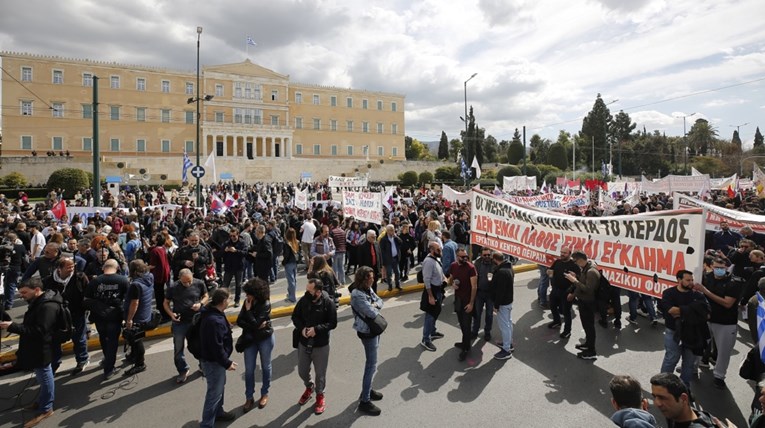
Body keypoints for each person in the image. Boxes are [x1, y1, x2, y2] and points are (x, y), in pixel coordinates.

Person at [0, 278, 59, 427]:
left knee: (45, 376)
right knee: (43, 376)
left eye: (25, 292)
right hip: (36, 348)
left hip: (42, 349)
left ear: (37, 290)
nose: (22, 296)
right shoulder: (38, 302)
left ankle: (46, 408)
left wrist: (13, 326)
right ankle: (43, 402)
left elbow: (40, 331)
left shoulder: (47, 307)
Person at [291, 277, 338, 415]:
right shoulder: (304, 300)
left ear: (318, 292)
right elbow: (295, 316)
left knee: (320, 375)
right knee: (302, 371)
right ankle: (309, 386)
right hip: (304, 343)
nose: (307, 293)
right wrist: (302, 329)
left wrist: (316, 329)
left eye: (309, 291)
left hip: (320, 345)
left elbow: (333, 323)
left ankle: (320, 396)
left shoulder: (328, 302)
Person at [658, 270, 710, 388]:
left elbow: (706, 314)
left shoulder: (697, 295)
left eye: (692, 280)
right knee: (671, 358)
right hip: (673, 331)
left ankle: (684, 387)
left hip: (692, 333)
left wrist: (681, 310)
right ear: (679, 280)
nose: (691, 282)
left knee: (689, 362)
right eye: (688, 280)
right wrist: (693, 310)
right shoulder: (668, 293)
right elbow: (671, 311)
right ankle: (662, 386)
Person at [697, 257, 741, 389]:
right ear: (711, 266)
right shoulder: (706, 277)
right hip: (706, 319)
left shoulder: (734, 282)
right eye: (716, 267)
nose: (719, 270)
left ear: (727, 268)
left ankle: (719, 376)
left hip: (725, 323)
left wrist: (705, 291)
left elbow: (727, 303)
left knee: (723, 352)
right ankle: (693, 366)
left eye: (722, 268)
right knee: (698, 344)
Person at [42, 257, 90, 376]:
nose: (71, 269)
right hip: (56, 317)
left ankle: (82, 360)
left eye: (73, 266)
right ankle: (54, 363)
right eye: (68, 267)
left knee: (79, 339)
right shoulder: (48, 281)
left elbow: (87, 293)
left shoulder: (80, 277)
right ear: (59, 269)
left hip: (76, 314)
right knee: (55, 341)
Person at [83, 259, 129, 379]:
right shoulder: (123, 280)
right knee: (112, 341)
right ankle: (109, 367)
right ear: (117, 268)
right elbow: (128, 299)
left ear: (103, 268)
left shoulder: (95, 281)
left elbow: (87, 299)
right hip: (115, 316)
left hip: (99, 316)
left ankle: (107, 360)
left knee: (103, 339)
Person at [199, 288, 237, 427]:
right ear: (223, 301)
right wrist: (227, 363)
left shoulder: (214, 313)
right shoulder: (214, 320)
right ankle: (207, 424)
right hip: (214, 363)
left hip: (215, 362)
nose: (230, 301)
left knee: (219, 389)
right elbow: (216, 346)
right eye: (229, 299)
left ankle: (218, 413)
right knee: (214, 394)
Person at [163, 268, 208, 384]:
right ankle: (183, 370)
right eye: (184, 282)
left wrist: (200, 304)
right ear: (179, 279)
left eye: (190, 281)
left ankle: (203, 366)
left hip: (196, 321)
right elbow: (165, 303)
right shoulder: (173, 287)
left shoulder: (199, 283)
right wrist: (171, 314)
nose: (188, 284)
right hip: (180, 322)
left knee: (200, 345)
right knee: (178, 348)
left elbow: (206, 296)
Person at [350, 266, 384, 416]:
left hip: (373, 329)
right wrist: (375, 306)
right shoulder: (357, 294)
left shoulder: (367, 289)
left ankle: (367, 389)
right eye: (371, 277)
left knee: (372, 363)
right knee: (371, 365)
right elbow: (371, 312)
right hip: (367, 332)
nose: (373, 279)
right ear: (364, 279)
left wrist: (375, 304)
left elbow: (379, 301)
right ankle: (365, 401)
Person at [237, 278, 274, 413]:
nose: (247, 297)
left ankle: (264, 393)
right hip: (250, 340)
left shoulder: (265, 304)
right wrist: (254, 325)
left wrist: (248, 313)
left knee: (265, 366)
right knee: (249, 370)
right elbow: (239, 321)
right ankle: (249, 397)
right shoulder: (247, 302)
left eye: (249, 294)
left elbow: (256, 323)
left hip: (264, 338)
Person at [650, 372, 726, 427]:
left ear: (683, 398)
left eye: (662, 398)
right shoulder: (674, 413)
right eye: (654, 397)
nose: (657, 403)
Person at [564, 250, 599, 360]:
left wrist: (574, 281)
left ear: (580, 260)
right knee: (586, 325)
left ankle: (591, 351)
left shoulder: (591, 271)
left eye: (575, 261)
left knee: (589, 327)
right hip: (583, 301)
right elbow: (583, 282)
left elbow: (588, 290)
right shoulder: (585, 268)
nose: (575, 263)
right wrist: (577, 277)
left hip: (588, 302)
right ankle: (587, 344)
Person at [122, 259, 155, 376]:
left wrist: (129, 319)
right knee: (135, 340)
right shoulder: (149, 276)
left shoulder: (136, 285)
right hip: (145, 314)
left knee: (136, 341)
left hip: (138, 318)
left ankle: (140, 363)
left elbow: (134, 303)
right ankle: (133, 356)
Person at [448, 247, 477, 361]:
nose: (465, 258)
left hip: (467, 301)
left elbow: (474, 286)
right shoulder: (453, 266)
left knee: (466, 325)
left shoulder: (471, 268)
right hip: (458, 300)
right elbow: (450, 279)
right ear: (457, 257)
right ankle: (465, 342)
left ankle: (466, 348)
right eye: (462, 257)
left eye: (466, 256)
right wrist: (452, 285)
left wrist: (471, 303)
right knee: (461, 323)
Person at [547, 246, 579, 339]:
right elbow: (550, 270)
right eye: (561, 252)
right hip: (555, 289)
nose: (562, 254)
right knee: (552, 306)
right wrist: (549, 272)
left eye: (564, 253)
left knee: (566, 312)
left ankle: (567, 331)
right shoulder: (557, 262)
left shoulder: (574, 265)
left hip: (567, 292)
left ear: (569, 254)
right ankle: (556, 322)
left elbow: (578, 280)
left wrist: (573, 294)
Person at [420, 241, 445, 352]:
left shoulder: (437, 258)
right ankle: (426, 339)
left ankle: (433, 332)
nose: (440, 251)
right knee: (430, 316)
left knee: (436, 313)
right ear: (431, 250)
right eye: (438, 249)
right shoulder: (428, 262)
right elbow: (426, 280)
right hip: (432, 291)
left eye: (440, 248)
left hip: (438, 290)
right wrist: (430, 296)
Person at [490, 252, 515, 360]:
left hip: (503, 303)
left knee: (504, 326)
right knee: (508, 323)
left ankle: (506, 350)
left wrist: (496, 305)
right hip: (508, 302)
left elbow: (500, 291)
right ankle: (508, 343)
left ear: (495, 259)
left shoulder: (501, 272)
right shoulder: (509, 268)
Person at [472, 247, 495, 341]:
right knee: (477, 314)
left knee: (489, 315)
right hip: (479, 293)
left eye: (489, 255)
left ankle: (487, 332)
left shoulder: (494, 264)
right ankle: (474, 331)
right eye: (485, 255)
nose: (487, 257)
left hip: (490, 294)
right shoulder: (477, 263)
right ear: (481, 255)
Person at [148, 233, 171, 322]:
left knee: (159, 296)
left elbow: (153, 265)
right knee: (161, 294)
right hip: (164, 274)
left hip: (158, 276)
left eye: (154, 236)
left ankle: (164, 314)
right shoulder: (162, 249)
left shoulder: (155, 251)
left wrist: (143, 268)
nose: (152, 237)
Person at [221, 227, 247, 307]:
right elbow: (220, 253)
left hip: (239, 267)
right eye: (231, 236)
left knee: (238, 285)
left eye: (234, 236)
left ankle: (237, 300)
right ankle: (223, 300)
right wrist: (224, 250)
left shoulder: (242, 243)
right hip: (229, 267)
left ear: (238, 235)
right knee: (225, 285)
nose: (232, 237)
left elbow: (245, 253)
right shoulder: (227, 243)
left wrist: (236, 251)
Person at [282, 227, 300, 303]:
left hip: (289, 263)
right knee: (293, 280)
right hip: (294, 262)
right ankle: (291, 294)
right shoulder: (297, 242)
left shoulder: (287, 244)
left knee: (290, 280)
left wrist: (283, 262)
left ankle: (292, 297)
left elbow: (286, 255)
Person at [329, 219, 347, 284]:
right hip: (342, 250)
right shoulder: (343, 231)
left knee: (335, 268)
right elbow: (345, 241)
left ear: (332, 224)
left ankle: (336, 282)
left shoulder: (332, 232)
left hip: (335, 251)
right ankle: (342, 281)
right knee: (341, 267)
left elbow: (330, 242)